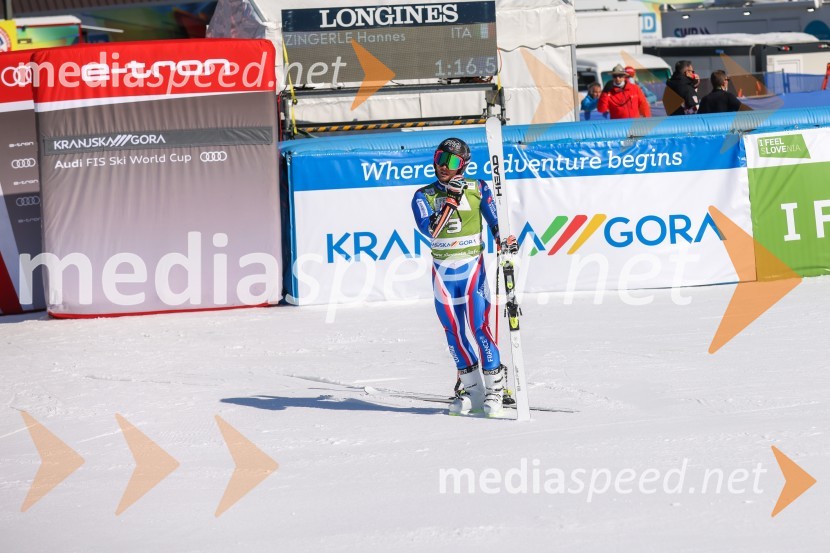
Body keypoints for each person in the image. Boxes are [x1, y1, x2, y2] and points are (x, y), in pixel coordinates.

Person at [411, 137, 515, 417]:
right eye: (441, 158)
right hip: (443, 273)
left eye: (453, 162)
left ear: (463, 165)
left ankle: (495, 388)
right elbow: (431, 230)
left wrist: (504, 241)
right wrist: (449, 202)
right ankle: (473, 390)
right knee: (453, 333)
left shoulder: (478, 188)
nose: (445, 167)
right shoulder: (424, 195)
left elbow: (496, 223)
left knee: (480, 328)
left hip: (472, 268)